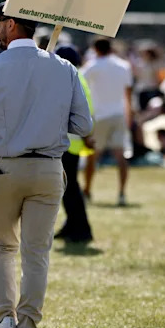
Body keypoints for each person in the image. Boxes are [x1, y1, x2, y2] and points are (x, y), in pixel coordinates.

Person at [0, 3, 92, 328]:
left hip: (6, 166)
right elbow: (84, 125)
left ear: (14, 23)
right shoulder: (63, 69)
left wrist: (4, 134)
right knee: (37, 254)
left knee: (2, 247)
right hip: (48, 168)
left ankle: (5, 318)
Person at [81, 38, 133, 206]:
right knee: (121, 155)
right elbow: (128, 94)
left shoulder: (93, 66)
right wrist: (129, 115)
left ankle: (87, 190)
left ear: (96, 49)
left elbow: (80, 84)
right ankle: (122, 193)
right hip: (118, 114)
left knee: (92, 156)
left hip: (100, 115)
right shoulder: (123, 66)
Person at [53, 45, 96, 244]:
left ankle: (81, 229)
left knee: (69, 189)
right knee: (68, 187)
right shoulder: (79, 78)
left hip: (67, 141)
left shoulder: (67, 78)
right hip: (75, 141)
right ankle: (72, 224)